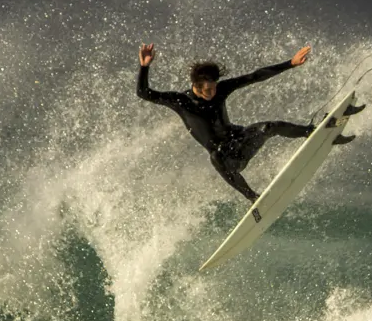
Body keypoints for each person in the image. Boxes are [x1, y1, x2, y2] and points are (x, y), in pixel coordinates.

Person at [137, 42, 359, 202]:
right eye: (208, 90)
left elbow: (254, 76)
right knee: (214, 157)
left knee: (270, 127)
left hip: (239, 140)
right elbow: (144, 93)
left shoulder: (220, 89)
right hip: (228, 159)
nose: (213, 93)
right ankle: (253, 197)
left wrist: (289, 64)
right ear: (196, 84)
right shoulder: (180, 101)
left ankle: (318, 133)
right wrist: (145, 67)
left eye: (215, 87)